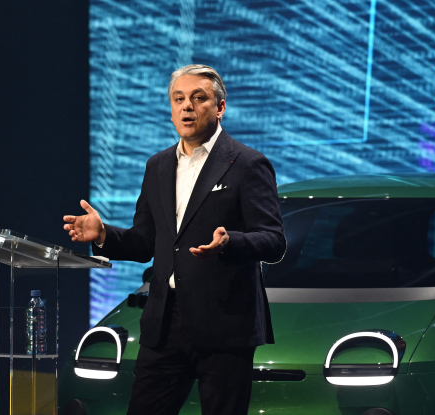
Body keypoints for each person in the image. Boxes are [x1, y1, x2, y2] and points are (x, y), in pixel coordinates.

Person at [63, 64, 285, 415]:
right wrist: (104, 234)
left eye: (199, 98)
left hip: (225, 324)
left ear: (220, 107)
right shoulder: (158, 166)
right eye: (178, 99)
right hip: (166, 323)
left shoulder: (247, 164)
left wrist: (231, 242)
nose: (187, 107)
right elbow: (145, 242)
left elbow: (273, 241)